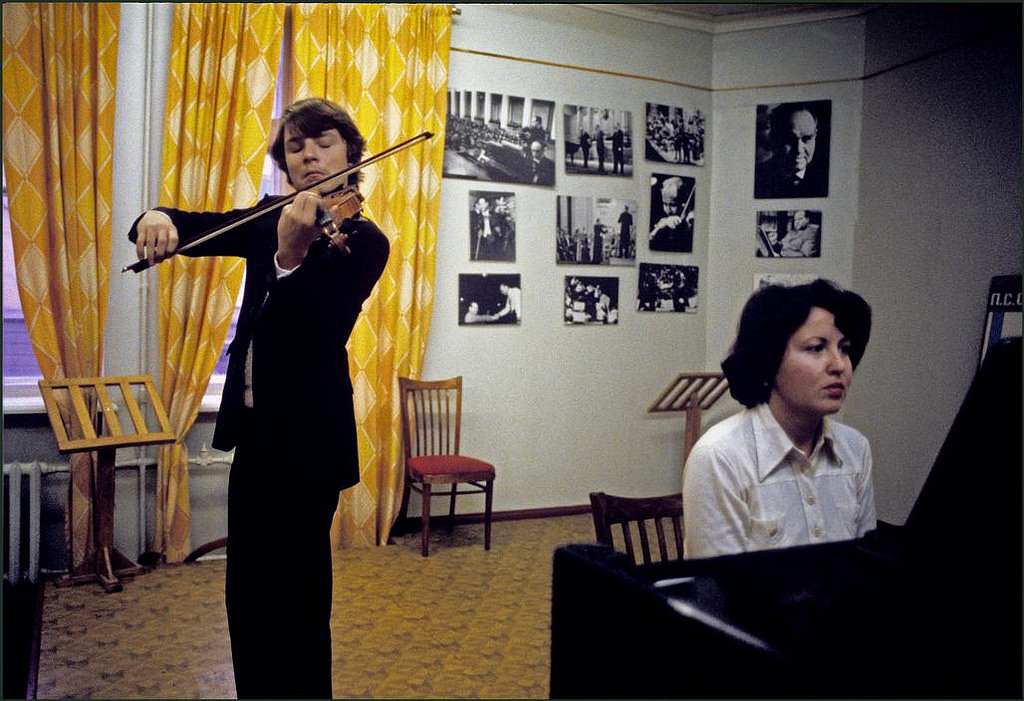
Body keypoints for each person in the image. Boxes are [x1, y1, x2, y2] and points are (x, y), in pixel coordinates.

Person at [129, 97, 390, 698]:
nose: (307, 154)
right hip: (256, 437)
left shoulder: (362, 239)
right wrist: (155, 216)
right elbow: (195, 226)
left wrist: (290, 257)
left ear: (350, 154)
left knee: (296, 600)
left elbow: (314, 333)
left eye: (322, 142)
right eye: (294, 146)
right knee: (247, 595)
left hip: (309, 445)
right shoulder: (274, 217)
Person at [682, 279, 875, 559]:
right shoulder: (719, 456)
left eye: (844, 348)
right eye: (816, 348)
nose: (839, 365)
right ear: (770, 362)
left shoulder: (856, 448)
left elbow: (865, 568)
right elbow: (718, 589)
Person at [754, 102, 829, 198]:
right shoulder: (758, 179)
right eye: (790, 139)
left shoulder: (826, 179)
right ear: (775, 138)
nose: (798, 149)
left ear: (815, 136)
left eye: (807, 139)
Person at [649, 176, 694, 252]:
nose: (667, 210)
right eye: (665, 204)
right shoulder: (663, 220)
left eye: (672, 205)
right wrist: (657, 229)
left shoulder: (690, 219)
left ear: (683, 204)